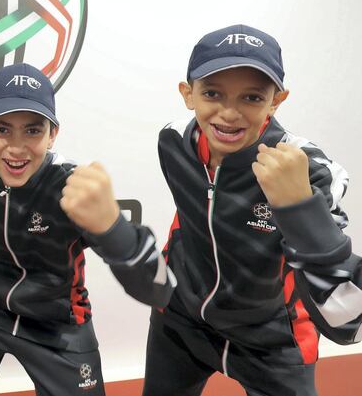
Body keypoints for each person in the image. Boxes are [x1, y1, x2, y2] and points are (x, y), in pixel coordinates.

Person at [142, 24, 362, 396]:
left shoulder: (308, 168)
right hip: (180, 322)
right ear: (187, 94)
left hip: (272, 340)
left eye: (251, 98)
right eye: (213, 93)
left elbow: (347, 319)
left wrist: (299, 208)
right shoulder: (173, 141)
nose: (229, 113)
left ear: (276, 100)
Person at [0, 63, 175, 396]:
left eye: (32, 131)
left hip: (59, 324)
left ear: (52, 134)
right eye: (2, 130)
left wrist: (113, 227)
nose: (16, 148)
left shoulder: (72, 186)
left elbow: (158, 292)